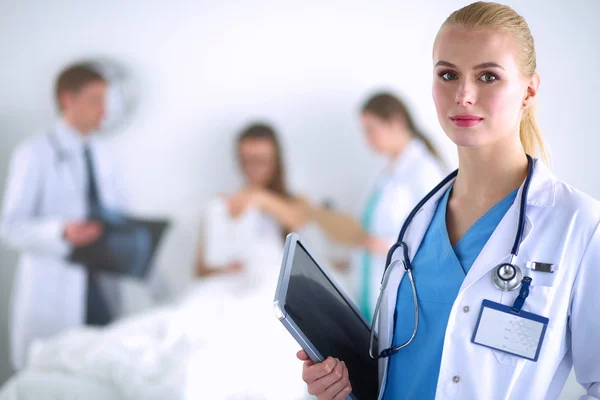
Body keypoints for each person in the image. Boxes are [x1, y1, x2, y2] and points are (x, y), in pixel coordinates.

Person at [298, 2, 600, 399]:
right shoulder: (417, 218)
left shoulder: (577, 223)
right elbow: (404, 362)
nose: (464, 95)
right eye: (448, 74)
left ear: (528, 90)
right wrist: (343, 385)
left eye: (488, 76)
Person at [1, 63, 129, 369]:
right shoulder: (33, 153)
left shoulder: (102, 151)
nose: (103, 110)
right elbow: (9, 227)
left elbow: (117, 209)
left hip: (98, 281)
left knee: (101, 368)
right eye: (95, 101)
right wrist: (61, 231)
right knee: (54, 373)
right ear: (67, 100)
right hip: (54, 283)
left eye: (105, 101)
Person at [308, 92, 445, 318]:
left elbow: (435, 240)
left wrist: (383, 244)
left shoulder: (424, 171)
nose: (367, 139)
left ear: (396, 122)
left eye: (370, 130)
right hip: (370, 285)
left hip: (402, 292)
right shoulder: (385, 174)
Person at [194, 122, 308, 277]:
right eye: (245, 161)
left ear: (275, 161)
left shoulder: (295, 201)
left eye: (260, 161)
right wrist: (226, 267)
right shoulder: (224, 204)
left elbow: (298, 221)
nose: (251, 169)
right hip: (232, 286)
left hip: (271, 284)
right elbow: (201, 270)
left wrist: (258, 197)